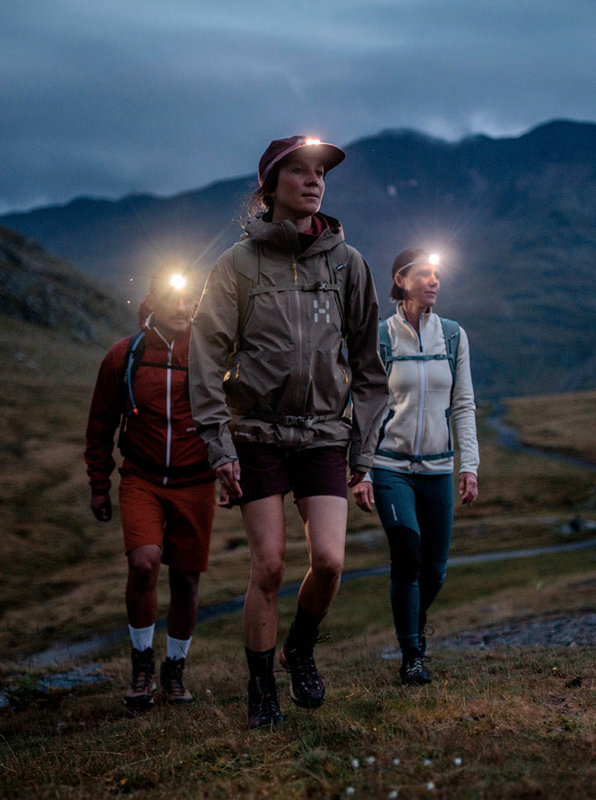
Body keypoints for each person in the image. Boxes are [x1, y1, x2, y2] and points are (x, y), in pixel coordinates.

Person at [188, 135, 386, 729]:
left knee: (327, 561)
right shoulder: (236, 266)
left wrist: (364, 447)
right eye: (298, 171)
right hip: (257, 434)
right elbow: (206, 361)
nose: (313, 179)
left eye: (320, 171)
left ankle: (299, 647)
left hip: (325, 433)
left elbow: (370, 366)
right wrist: (219, 447)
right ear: (269, 187)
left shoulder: (348, 264)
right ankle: (261, 691)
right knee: (269, 567)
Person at [84, 266, 214, 710]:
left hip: (197, 482)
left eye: (190, 299)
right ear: (153, 303)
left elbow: (234, 417)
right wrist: (99, 485)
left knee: (187, 582)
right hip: (141, 479)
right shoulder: (125, 356)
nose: (183, 307)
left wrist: (236, 471)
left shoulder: (210, 354)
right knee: (144, 564)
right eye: (174, 299)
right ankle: (142, 665)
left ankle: (173, 672)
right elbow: (100, 425)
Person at [352, 248, 479, 686]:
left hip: (439, 470)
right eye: (423, 273)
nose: (433, 281)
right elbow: (364, 408)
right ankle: (412, 656)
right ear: (400, 280)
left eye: (437, 274)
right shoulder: (382, 337)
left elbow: (463, 404)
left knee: (435, 570)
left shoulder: (454, 336)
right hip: (390, 468)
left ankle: (413, 625)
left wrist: (470, 466)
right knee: (407, 556)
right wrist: (363, 471)